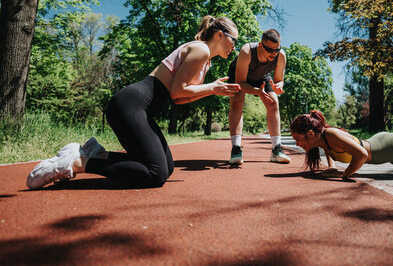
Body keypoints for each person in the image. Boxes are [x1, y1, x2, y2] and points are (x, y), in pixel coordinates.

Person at [27, 16, 241, 189]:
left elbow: (180, 97)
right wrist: (212, 88)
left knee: (166, 167)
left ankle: (96, 154)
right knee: (155, 174)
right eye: (234, 40)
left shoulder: (206, 62)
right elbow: (177, 91)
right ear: (220, 35)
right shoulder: (200, 49)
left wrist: (212, 90)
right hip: (131, 104)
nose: (235, 47)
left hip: (139, 108)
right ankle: (75, 163)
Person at [227, 29, 290, 165]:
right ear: (261, 45)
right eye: (269, 50)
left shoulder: (281, 56)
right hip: (240, 76)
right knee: (237, 102)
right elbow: (240, 83)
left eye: (277, 50)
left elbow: (279, 79)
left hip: (262, 76)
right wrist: (258, 91)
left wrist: (279, 86)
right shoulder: (247, 51)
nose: (273, 54)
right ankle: (236, 148)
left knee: (274, 103)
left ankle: (276, 149)